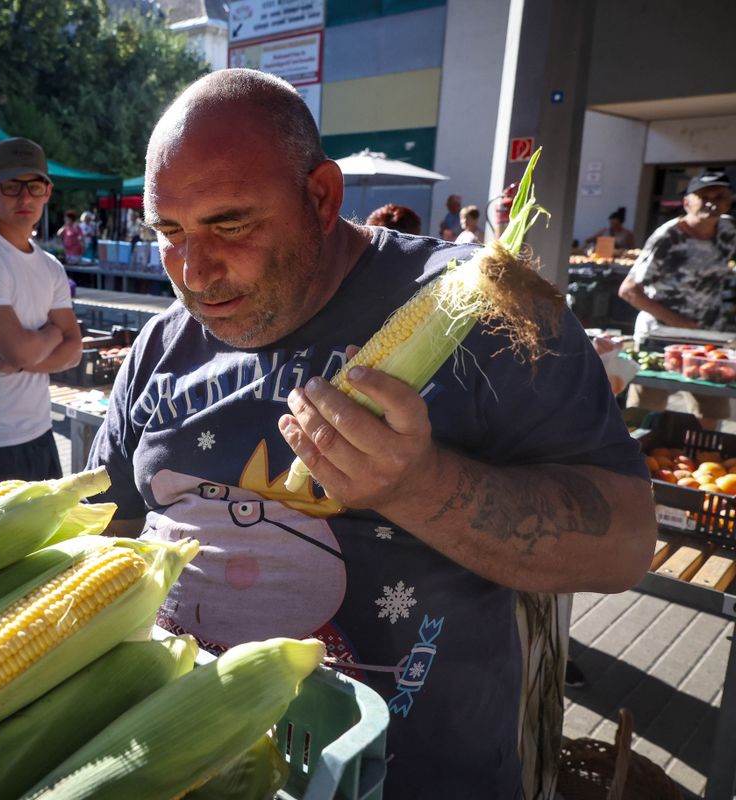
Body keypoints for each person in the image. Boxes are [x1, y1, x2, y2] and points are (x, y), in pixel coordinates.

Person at [86, 68, 655, 798]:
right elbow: (104, 531)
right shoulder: (159, 347)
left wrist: (420, 489)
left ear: (322, 197)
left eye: (231, 223)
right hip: (193, 770)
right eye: (168, 232)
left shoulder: (484, 308)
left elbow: (626, 544)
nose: (195, 272)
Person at [0, 137, 83, 490]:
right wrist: (51, 335)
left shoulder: (50, 266)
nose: (24, 197)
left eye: (34, 186)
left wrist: (25, 356)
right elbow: (29, 348)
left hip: (40, 430)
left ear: (47, 192)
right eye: (11, 186)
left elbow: (75, 350)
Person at [619, 171, 736, 426]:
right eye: (703, 196)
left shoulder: (728, 230)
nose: (711, 202)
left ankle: (707, 456)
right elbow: (629, 290)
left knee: (713, 408)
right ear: (687, 202)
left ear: (729, 201)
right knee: (645, 410)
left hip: (707, 341)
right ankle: (633, 459)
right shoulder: (668, 237)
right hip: (660, 338)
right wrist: (678, 322)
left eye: (719, 196)